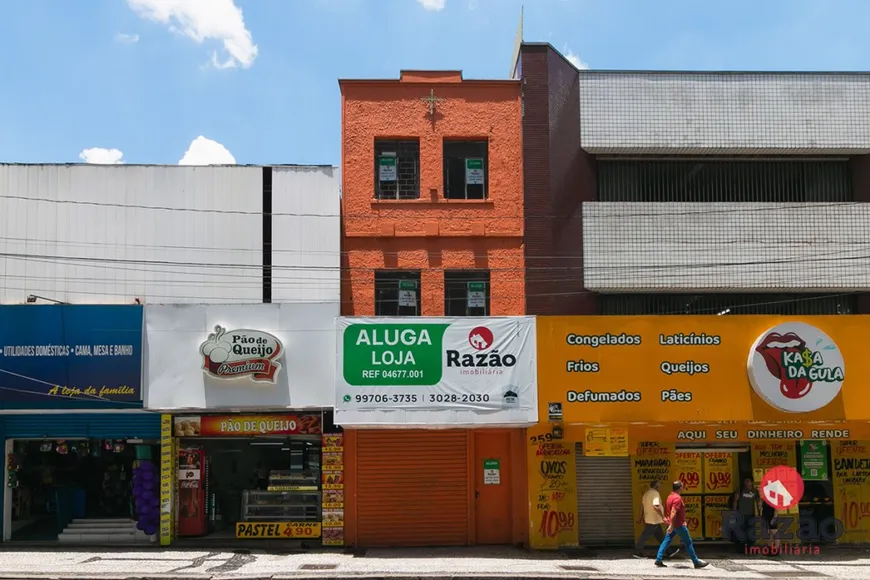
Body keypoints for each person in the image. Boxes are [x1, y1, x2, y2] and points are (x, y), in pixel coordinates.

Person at [654, 481, 709, 569]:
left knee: (666, 541)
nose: (683, 488)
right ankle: (696, 562)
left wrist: (671, 524)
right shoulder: (677, 499)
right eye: (682, 487)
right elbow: (673, 512)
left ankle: (658, 559)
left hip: (673, 523)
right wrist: (672, 525)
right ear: (680, 488)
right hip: (678, 525)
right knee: (688, 542)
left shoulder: (670, 497)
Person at [633, 481, 680, 559]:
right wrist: (663, 517)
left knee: (660, 537)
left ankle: (669, 551)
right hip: (654, 519)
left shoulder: (646, 494)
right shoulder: (655, 494)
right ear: (656, 487)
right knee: (644, 536)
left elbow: (641, 506)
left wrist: (640, 517)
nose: (660, 488)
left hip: (650, 519)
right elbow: (656, 506)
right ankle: (637, 552)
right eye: (659, 486)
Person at [733, 478, 760, 552]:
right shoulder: (741, 489)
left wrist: (759, 512)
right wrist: (734, 512)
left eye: (748, 481)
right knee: (742, 531)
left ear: (752, 482)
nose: (747, 483)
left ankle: (750, 547)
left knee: (750, 531)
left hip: (751, 514)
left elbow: (758, 502)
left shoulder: (755, 491)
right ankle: (741, 548)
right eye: (746, 481)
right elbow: (735, 501)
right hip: (741, 514)